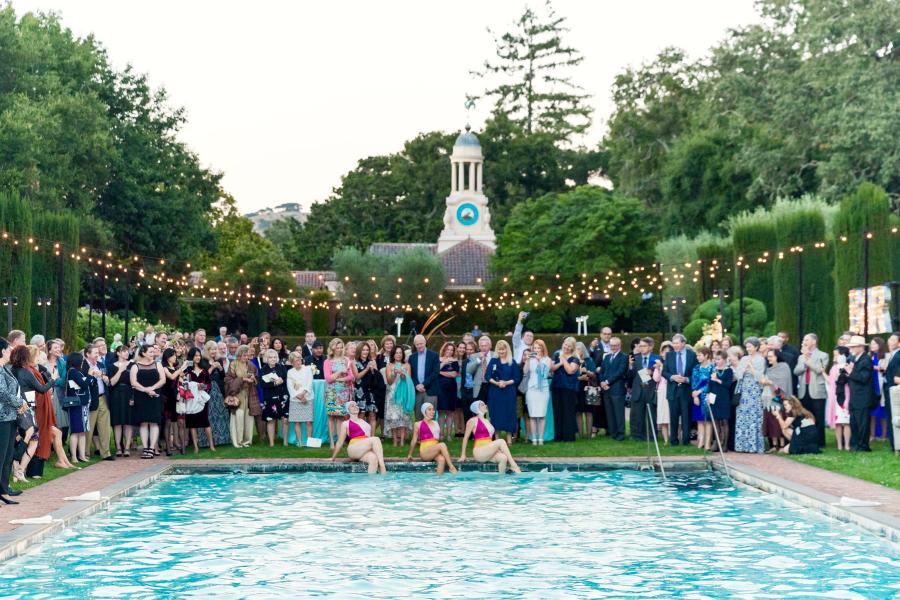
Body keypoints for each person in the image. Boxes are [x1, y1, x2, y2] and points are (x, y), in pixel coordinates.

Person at [459, 400, 521, 474]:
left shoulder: (487, 421)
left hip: (488, 450)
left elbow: (490, 440)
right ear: (477, 409)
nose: (485, 406)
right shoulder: (472, 421)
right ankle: (514, 465)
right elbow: (465, 438)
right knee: (501, 441)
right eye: (482, 405)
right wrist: (463, 455)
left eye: (485, 404)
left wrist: (496, 449)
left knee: (503, 458)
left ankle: (501, 480)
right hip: (479, 451)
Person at [0, 337, 27, 503]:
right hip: (2, 417)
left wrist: (20, 405)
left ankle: (4, 488)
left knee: (8, 455)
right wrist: (20, 402)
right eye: (9, 349)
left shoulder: (5, 368)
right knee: (1, 455)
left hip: (10, 416)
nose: (11, 352)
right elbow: (1, 392)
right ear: (2, 351)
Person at [129, 344, 166, 459]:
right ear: (143, 353)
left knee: (154, 422)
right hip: (141, 397)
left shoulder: (157, 364)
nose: (152, 354)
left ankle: (151, 448)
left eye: (153, 352)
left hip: (155, 396)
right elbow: (133, 382)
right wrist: (146, 390)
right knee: (144, 422)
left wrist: (152, 388)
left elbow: (163, 380)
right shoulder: (135, 366)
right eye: (150, 352)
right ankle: (145, 448)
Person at [330, 400, 387, 474]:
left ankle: (372, 483)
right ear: (348, 410)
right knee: (375, 439)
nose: (355, 407)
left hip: (364, 449)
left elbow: (371, 443)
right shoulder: (346, 423)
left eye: (356, 405)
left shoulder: (365, 423)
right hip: (353, 448)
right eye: (352, 406)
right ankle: (383, 468)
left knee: (374, 459)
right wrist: (333, 458)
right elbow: (340, 442)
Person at [794, 333, 829, 449]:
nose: (804, 342)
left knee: (818, 417)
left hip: (817, 390)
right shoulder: (801, 357)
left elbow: (819, 370)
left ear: (814, 342)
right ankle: (807, 440)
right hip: (804, 389)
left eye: (806, 340)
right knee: (806, 416)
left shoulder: (823, 355)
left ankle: (819, 442)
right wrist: (804, 361)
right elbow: (796, 371)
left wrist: (808, 360)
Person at [662, 334, 698, 446]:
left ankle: (686, 440)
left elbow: (696, 374)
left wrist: (686, 379)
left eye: (677, 343)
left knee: (686, 416)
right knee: (673, 416)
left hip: (686, 390)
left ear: (683, 343)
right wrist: (672, 377)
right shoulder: (669, 355)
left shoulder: (692, 355)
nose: (675, 345)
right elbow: (664, 372)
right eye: (674, 343)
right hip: (673, 390)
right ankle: (673, 440)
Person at [734, 337, 766, 453]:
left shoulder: (761, 359)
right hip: (744, 390)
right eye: (746, 347)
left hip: (755, 390)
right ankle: (742, 445)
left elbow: (759, 376)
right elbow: (738, 374)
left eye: (750, 347)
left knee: (754, 415)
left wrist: (751, 369)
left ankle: (754, 446)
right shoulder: (744, 359)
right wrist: (744, 369)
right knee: (743, 415)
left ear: (756, 347)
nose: (748, 349)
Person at [407, 403, 457, 474]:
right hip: (424, 452)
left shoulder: (436, 423)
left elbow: (436, 439)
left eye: (433, 410)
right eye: (429, 409)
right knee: (442, 444)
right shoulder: (418, 424)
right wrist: (410, 454)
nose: (432, 411)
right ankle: (451, 467)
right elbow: (414, 440)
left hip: (434, 451)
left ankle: (438, 480)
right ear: (424, 411)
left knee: (442, 459)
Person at [485, 340, 520, 445]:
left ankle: (509, 440)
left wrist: (506, 382)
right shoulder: (493, 361)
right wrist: (496, 383)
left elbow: (517, 377)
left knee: (509, 414)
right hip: (495, 392)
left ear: (507, 349)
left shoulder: (512, 362)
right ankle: (497, 439)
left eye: (503, 349)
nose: (501, 351)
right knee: (496, 414)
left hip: (509, 392)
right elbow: (487, 376)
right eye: (499, 349)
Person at [224, 345, 258, 448]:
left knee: (248, 418)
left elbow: (256, 378)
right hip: (237, 396)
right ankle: (237, 441)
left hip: (249, 394)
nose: (246, 357)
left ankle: (246, 440)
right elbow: (228, 380)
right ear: (239, 355)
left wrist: (253, 378)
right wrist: (242, 379)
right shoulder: (233, 365)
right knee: (238, 417)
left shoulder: (251, 365)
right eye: (244, 355)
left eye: (247, 355)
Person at [84, 343, 113, 461]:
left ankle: (106, 453)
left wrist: (106, 379)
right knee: (89, 426)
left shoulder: (101, 364)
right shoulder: (83, 366)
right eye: (95, 352)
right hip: (91, 399)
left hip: (103, 398)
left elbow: (108, 381)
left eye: (97, 353)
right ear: (87, 354)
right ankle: (85, 453)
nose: (98, 354)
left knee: (105, 427)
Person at [845, 335, 874, 452]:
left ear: (861, 347)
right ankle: (856, 444)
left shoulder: (866, 360)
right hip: (855, 396)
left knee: (862, 423)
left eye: (853, 346)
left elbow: (864, 378)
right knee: (854, 422)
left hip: (863, 397)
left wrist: (851, 372)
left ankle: (863, 446)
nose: (851, 349)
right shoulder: (854, 359)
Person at [184, 347, 216, 454]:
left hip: (202, 399)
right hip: (191, 399)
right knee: (192, 424)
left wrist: (203, 387)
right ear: (191, 357)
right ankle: (196, 447)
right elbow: (184, 384)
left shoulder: (204, 369)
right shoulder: (187, 370)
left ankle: (211, 445)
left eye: (199, 355)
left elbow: (209, 384)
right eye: (195, 355)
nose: (197, 357)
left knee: (205, 422)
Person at [550, 336, 580, 442]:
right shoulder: (556, 355)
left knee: (568, 412)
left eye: (569, 346)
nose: (566, 347)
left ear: (572, 348)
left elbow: (570, 371)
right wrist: (560, 362)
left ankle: (568, 437)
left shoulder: (575, 358)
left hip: (569, 388)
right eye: (565, 345)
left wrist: (563, 359)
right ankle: (558, 436)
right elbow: (551, 368)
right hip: (556, 387)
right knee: (558, 412)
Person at [760, 349, 791, 452]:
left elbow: (784, 382)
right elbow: (763, 381)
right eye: (768, 356)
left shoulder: (784, 367)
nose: (769, 358)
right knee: (770, 422)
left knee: (778, 422)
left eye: (771, 356)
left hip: (778, 399)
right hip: (767, 399)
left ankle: (782, 445)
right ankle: (774, 445)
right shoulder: (768, 369)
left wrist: (770, 382)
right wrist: (764, 382)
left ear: (777, 356)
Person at [629, 337, 659, 442]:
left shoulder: (657, 359)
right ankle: (637, 436)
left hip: (651, 390)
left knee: (652, 414)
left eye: (644, 346)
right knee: (637, 414)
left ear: (651, 347)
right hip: (638, 390)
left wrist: (654, 371)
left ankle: (651, 436)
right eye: (640, 346)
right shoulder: (635, 358)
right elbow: (629, 376)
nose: (641, 348)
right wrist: (630, 366)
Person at [324, 338, 352, 448]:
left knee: (341, 416)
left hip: (343, 392)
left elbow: (351, 376)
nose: (339, 350)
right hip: (331, 392)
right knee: (331, 416)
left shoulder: (346, 360)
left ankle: (339, 442)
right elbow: (328, 378)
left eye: (341, 347)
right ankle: (331, 442)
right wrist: (340, 371)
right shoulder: (327, 362)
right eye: (337, 348)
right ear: (332, 348)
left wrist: (340, 379)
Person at [107, 344, 134, 457]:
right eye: (124, 351)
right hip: (116, 395)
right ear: (118, 353)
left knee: (128, 422)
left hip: (128, 393)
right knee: (117, 422)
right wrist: (120, 370)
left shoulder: (132, 365)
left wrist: (133, 397)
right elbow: (111, 383)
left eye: (127, 351)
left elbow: (134, 382)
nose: (126, 353)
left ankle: (127, 447)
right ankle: (118, 447)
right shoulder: (111, 366)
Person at [384, 345, 414, 447]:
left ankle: (402, 441)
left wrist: (403, 375)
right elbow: (389, 381)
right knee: (393, 417)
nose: (398, 354)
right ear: (393, 354)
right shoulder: (389, 365)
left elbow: (409, 381)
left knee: (403, 417)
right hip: (392, 394)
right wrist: (394, 374)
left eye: (400, 353)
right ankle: (394, 441)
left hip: (403, 393)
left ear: (403, 354)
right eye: (396, 352)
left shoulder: (407, 365)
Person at [523, 339, 552, 445]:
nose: (537, 350)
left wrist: (539, 361)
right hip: (532, 389)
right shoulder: (531, 359)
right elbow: (525, 372)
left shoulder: (547, 360)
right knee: (533, 415)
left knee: (542, 415)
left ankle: (541, 439)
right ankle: (534, 439)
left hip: (543, 389)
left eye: (539, 348)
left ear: (542, 348)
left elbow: (544, 374)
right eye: (535, 348)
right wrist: (527, 360)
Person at [599, 337, 628, 441]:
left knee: (618, 413)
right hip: (606, 389)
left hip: (617, 389)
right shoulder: (607, 357)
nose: (613, 347)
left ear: (620, 345)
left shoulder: (624, 357)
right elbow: (602, 371)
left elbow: (620, 372)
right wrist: (602, 382)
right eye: (612, 345)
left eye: (615, 345)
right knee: (610, 412)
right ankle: (613, 433)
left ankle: (620, 434)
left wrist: (607, 382)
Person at [259, 348, 289, 447]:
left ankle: (285, 442)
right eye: (270, 357)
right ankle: (271, 443)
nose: (273, 359)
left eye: (275, 357)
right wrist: (275, 383)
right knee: (271, 420)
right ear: (266, 358)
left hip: (283, 397)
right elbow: (263, 385)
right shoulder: (263, 370)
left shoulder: (281, 367)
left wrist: (282, 381)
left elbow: (286, 379)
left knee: (285, 419)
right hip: (270, 398)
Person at [65, 352, 92, 463]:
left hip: (82, 404)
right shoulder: (73, 372)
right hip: (76, 405)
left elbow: (88, 383)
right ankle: (74, 457)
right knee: (76, 431)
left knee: (82, 431)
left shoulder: (77, 372)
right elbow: (84, 384)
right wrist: (90, 375)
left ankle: (82, 455)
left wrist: (89, 379)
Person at [161, 347, 188, 456]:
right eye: (173, 355)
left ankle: (182, 447)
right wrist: (181, 368)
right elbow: (172, 377)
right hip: (168, 397)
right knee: (168, 423)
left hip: (177, 396)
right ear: (168, 357)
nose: (175, 357)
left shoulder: (176, 367)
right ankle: (168, 447)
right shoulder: (164, 367)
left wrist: (183, 375)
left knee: (181, 422)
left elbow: (180, 379)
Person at [706, 350, 734, 451]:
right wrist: (708, 395)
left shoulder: (728, 371)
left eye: (719, 359)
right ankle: (716, 443)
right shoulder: (713, 369)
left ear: (724, 359)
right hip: (714, 396)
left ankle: (725, 444)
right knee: (716, 421)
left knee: (725, 421)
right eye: (715, 359)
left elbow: (728, 385)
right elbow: (709, 383)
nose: (716, 361)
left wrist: (717, 379)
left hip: (724, 397)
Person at [826, 346, 852, 451]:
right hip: (836, 396)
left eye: (837, 354)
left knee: (846, 421)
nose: (835, 357)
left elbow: (850, 380)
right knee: (838, 422)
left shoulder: (848, 366)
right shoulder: (833, 368)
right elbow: (831, 382)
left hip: (846, 395)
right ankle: (839, 445)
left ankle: (847, 445)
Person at [287, 351, 314, 446]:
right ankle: (300, 442)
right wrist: (299, 397)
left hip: (308, 398)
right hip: (295, 400)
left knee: (309, 421)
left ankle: (310, 442)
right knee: (297, 421)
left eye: (300, 359)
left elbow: (309, 383)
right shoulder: (290, 372)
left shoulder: (308, 369)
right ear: (291, 362)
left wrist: (303, 394)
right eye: (296, 360)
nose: (299, 362)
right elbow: (290, 387)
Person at [690, 347, 715, 450]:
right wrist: (694, 394)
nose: (697, 357)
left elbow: (710, 382)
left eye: (699, 355)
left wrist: (700, 392)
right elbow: (693, 382)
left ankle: (708, 443)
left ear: (706, 355)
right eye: (697, 355)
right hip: (696, 396)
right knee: (699, 420)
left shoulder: (712, 367)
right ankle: (700, 442)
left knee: (708, 420)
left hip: (707, 396)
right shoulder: (696, 368)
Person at [409, 335, 439, 417]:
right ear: (415, 345)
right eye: (417, 344)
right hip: (417, 391)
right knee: (418, 416)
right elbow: (411, 374)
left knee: (430, 417)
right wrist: (416, 385)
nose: (419, 346)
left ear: (425, 342)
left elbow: (435, 372)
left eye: (421, 343)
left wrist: (423, 384)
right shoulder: (412, 357)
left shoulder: (434, 355)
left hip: (430, 390)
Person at [353, 341, 380, 433]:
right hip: (360, 391)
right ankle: (361, 435)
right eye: (363, 350)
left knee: (372, 414)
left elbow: (377, 376)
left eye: (367, 350)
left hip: (371, 391)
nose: (365, 352)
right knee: (361, 414)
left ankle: (372, 436)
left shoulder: (372, 361)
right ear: (359, 351)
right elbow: (356, 377)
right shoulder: (354, 362)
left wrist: (373, 370)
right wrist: (367, 369)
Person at [436, 342, 459, 441]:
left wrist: (440, 373)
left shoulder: (455, 361)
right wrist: (444, 364)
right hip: (440, 388)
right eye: (447, 349)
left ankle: (449, 435)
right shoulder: (438, 360)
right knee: (441, 412)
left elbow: (454, 374)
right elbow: (435, 371)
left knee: (450, 412)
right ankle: (441, 434)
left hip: (451, 389)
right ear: (444, 349)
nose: (449, 352)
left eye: (451, 350)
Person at [574, 342, 597, 439]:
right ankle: (580, 434)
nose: (579, 351)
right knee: (578, 412)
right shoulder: (573, 360)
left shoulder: (589, 360)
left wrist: (587, 372)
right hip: (577, 388)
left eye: (580, 349)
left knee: (589, 412)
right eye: (577, 349)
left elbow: (594, 375)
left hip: (589, 388)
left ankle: (588, 435)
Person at [883, 332, 900, 455]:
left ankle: (896, 444)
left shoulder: (898, 355)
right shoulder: (892, 355)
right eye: (890, 339)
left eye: (893, 339)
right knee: (890, 416)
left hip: (895, 391)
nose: (890, 341)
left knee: (894, 417)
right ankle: (893, 444)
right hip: (889, 389)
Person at [654, 341, 673, 444]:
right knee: (663, 416)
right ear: (661, 353)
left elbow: (670, 377)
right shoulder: (658, 364)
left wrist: (662, 367)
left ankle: (673, 437)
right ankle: (666, 440)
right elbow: (656, 379)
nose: (666, 354)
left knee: (672, 416)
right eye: (664, 352)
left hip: (671, 391)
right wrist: (658, 369)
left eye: (668, 352)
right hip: (661, 392)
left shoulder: (673, 364)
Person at [869, 337, 887, 442]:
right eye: (871, 344)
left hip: (880, 386)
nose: (872, 346)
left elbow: (884, 368)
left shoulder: (884, 356)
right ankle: (872, 435)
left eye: (874, 344)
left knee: (882, 412)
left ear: (879, 345)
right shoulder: (869, 356)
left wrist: (874, 367)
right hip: (871, 386)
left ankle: (884, 436)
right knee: (872, 413)